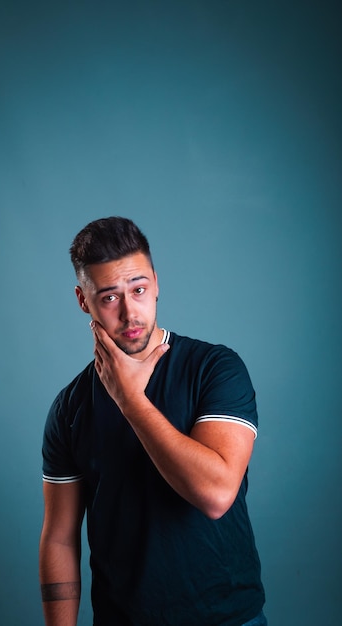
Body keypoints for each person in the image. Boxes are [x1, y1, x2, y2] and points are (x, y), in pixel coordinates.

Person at [39, 216, 267, 626]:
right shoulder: (69, 407)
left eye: (139, 290)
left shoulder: (214, 369)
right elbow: (59, 538)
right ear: (82, 300)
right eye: (109, 298)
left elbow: (215, 494)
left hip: (227, 619)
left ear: (157, 284)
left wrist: (130, 400)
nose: (130, 313)